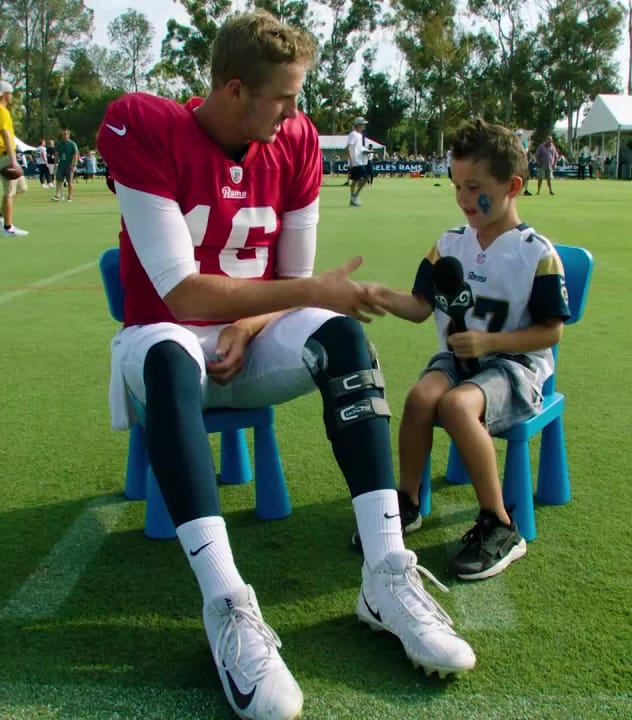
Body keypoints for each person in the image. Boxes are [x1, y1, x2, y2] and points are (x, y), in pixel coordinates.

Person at [96, 11, 474, 720]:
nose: (298, 114)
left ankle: (386, 573)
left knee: (341, 336)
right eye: (285, 98)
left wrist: (255, 318)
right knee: (177, 355)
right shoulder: (143, 125)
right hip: (159, 340)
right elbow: (180, 293)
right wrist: (303, 293)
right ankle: (227, 604)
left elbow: (296, 281)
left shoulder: (295, 142)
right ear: (235, 89)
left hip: (248, 338)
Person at [360, 118, 571, 581]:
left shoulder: (536, 253)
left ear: (512, 185)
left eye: (473, 187)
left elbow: (550, 332)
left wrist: (491, 342)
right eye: (456, 185)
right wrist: (376, 293)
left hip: (515, 365)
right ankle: (407, 502)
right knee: (419, 398)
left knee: (457, 406)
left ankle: (500, 523)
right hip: (459, 359)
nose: (461, 197)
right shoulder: (449, 245)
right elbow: (418, 308)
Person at [0, 80, 29, 237]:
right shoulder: (0, 111)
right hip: (5, 155)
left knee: (22, 188)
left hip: (5, 154)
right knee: (9, 192)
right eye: (10, 93)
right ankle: (7, 227)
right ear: (5, 94)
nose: (12, 96)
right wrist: (13, 159)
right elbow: (5, 134)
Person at [346, 117, 372, 206]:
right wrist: (351, 162)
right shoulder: (353, 134)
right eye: (363, 124)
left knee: (355, 180)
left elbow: (358, 148)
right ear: (359, 125)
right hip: (356, 162)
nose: (364, 126)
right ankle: (354, 196)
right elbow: (348, 147)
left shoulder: (359, 135)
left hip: (360, 161)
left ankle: (353, 197)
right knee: (364, 178)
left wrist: (365, 151)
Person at [52, 128, 79, 202]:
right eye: (63, 134)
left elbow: (76, 155)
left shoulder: (72, 144)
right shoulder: (59, 144)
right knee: (58, 180)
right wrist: (55, 163)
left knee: (69, 181)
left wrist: (74, 165)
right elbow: (57, 154)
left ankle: (70, 196)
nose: (64, 136)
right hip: (61, 165)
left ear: (68, 135)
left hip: (69, 165)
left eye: (65, 134)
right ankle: (58, 195)